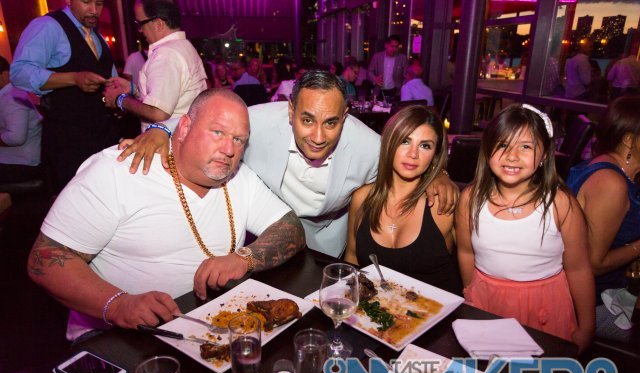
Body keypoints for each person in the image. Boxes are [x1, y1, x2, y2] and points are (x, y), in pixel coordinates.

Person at [27, 89, 305, 342]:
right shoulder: (119, 171)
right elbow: (45, 258)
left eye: (238, 139)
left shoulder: (239, 178)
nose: (229, 149)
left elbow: (290, 227)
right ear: (183, 128)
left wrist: (246, 258)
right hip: (116, 338)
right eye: (217, 132)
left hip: (208, 329)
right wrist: (118, 304)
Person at [117, 70, 458, 257]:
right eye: (307, 120)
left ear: (345, 117)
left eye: (331, 123)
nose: (319, 136)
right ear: (290, 110)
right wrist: (161, 130)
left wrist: (439, 174)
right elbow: (207, 119)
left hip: (327, 245)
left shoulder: (369, 146)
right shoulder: (260, 122)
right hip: (264, 235)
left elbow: (408, 157)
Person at [456, 104, 595, 352]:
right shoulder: (471, 198)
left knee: (537, 372)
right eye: (502, 145)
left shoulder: (560, 203)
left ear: (544, 156)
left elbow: (579, 268)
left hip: (544, 306)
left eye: (526, 147)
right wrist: (471, 293)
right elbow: (466, 251)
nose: (512, 155)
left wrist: (587, 327)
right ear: (487, 150)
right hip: (487, 302)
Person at [345, 106, 461, 294]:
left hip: (436, 309)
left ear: (435, 155)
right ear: (389, 142)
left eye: (425, 146)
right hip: (376, 310)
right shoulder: (362, 198)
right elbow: (352, 257)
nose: (413, 154)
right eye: (405, 141)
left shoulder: (444, 204)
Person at [10, 0, 120, 193]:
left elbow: (111, 79)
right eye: (86, 2)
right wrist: (72, 78)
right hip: (69, 140)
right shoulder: (47, 26)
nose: (94, 10)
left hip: (103, 135)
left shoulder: (96, 36)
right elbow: (20, 73)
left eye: (99, 4)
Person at [566, 96, 640, 343]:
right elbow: (592, 263)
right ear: (629, 140)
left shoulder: (610, 167)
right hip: (594, 304)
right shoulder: (611, 183)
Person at [103, 0, 207, 133]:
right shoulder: (184, 46)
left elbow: (158, 113)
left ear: (158, 24)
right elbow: (169, 96)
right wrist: (134, 89)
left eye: (140, 23)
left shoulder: (166, 55)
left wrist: (119, 99)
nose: (140, 30)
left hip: (170, 142)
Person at [0, 56, 43, 184]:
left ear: (4, 75)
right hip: (13, 161)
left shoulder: (12, 99)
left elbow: (16, 138)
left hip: (20, 164)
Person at [368, 35, 408, 101]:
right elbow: (369, 72)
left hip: (395, 92)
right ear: (386, 45)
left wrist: (402, 89)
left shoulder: (402, 58)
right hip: (379, 90)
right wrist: (375, 79)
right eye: (392, 46)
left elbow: (406, 76)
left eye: (396, 47)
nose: (394, 49)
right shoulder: (377, 56)